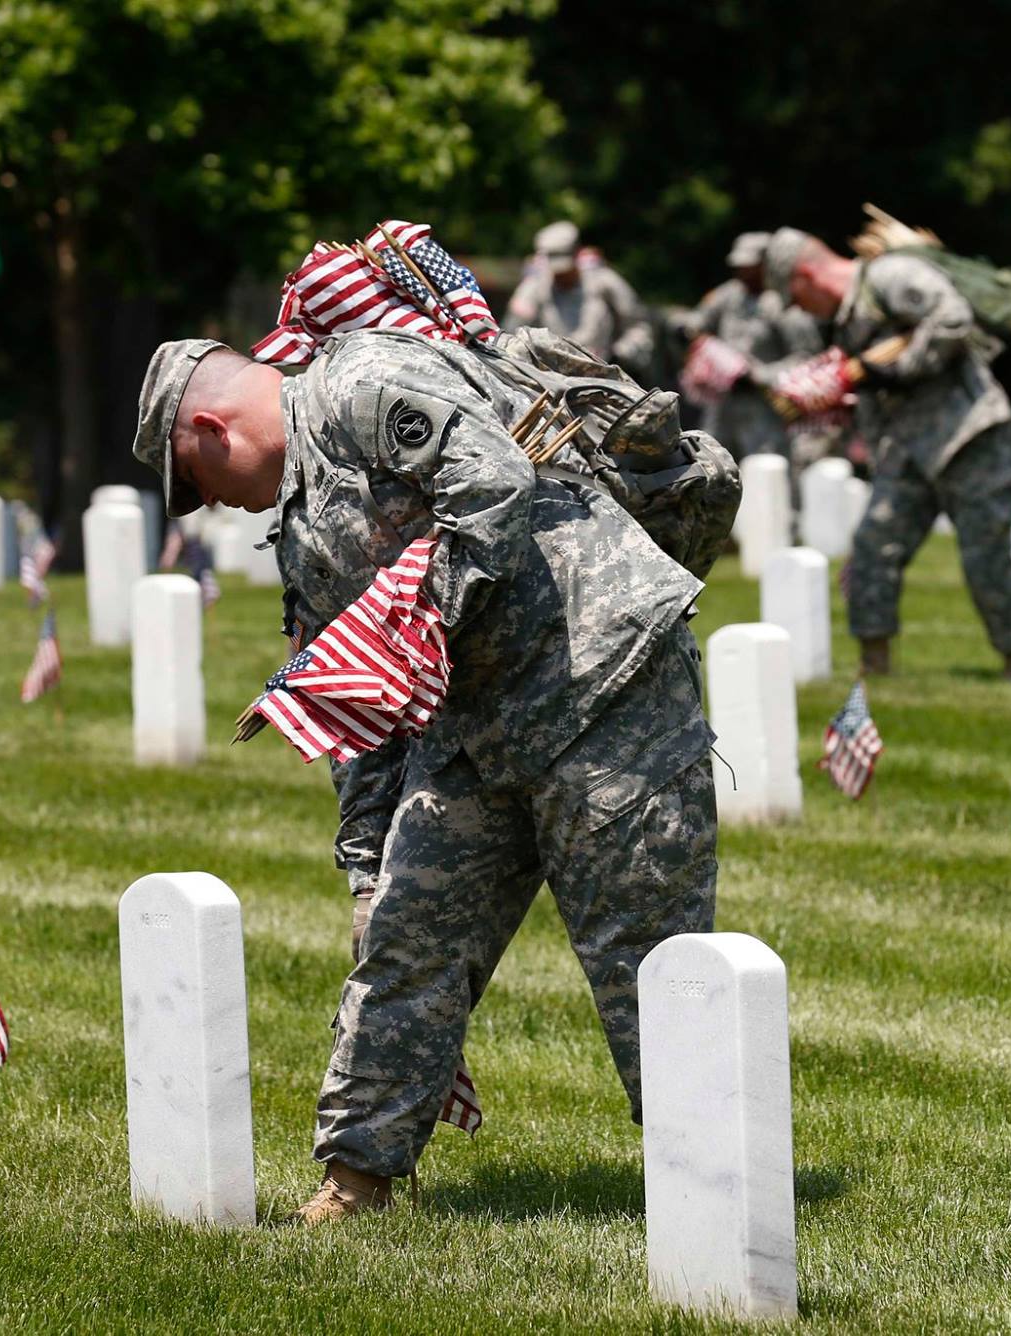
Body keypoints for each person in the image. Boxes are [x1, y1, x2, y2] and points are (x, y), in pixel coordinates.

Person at [131, 328, 718, 1223]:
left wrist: (410, 623)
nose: (213, 503)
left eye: (198, 481)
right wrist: (367, 865)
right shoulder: (300, 532)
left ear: (211, 428)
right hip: (474, 731)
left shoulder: (364, 382)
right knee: (404, 943)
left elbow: (493, 486)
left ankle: (718, 1191)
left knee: (649, 960)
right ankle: (356, 1181)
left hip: (602, 684)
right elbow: (358, 702)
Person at [764, 227, 1011, 678]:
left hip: (968, 434)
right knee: (872, 549)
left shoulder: (889, 276)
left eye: (795, 296)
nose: (799, 310)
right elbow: (871, 389)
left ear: (806, 275)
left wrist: (890, 367)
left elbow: (952, 319)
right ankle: (874, 668)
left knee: (986, 558)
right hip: (905, 450)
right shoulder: (847, 323)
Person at [678, 231, 826, 462]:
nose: (742, 272)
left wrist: (758, 376)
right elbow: (698, 321)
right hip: (723, 399)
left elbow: (807, 358)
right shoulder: (729, 294)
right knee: (710, 459)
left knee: (765, 466)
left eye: (750, 266)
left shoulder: (784, 302)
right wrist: (693, 337)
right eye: (738, 266)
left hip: (764, 403)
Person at [504, 221, 656, 378]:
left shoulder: (604, 283)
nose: (561, 275)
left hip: (604, 376)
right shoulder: (532, 289)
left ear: (577, 253)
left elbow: (639, 327)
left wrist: (620, 355)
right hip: (550, 379)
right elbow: (510, 336)